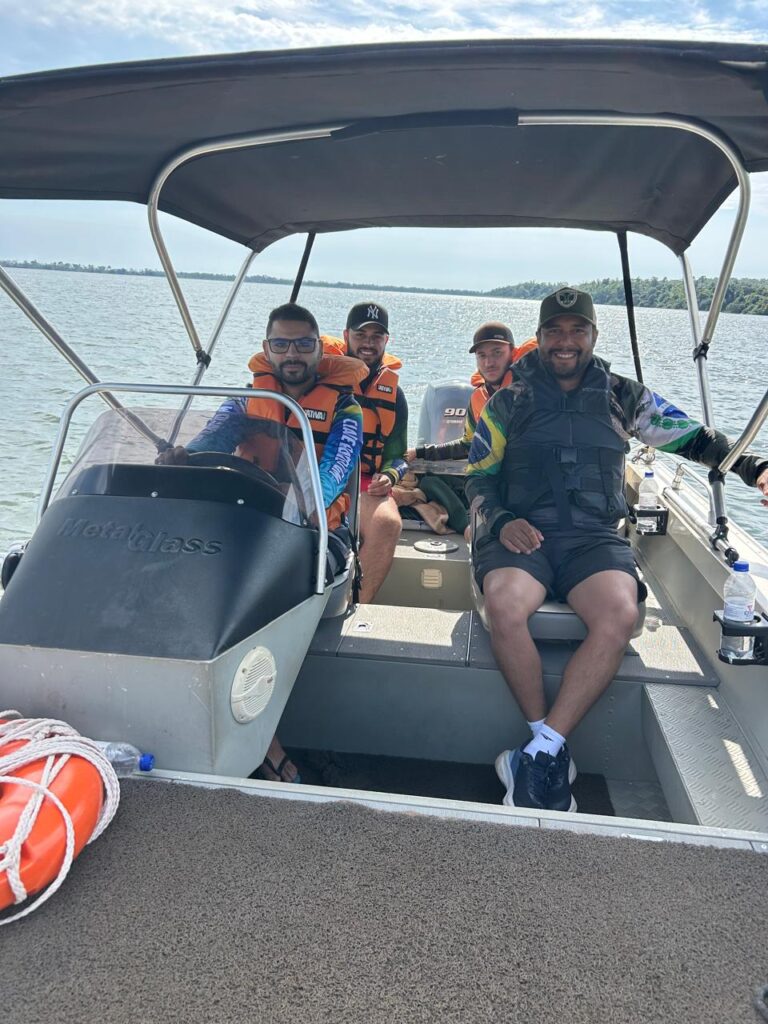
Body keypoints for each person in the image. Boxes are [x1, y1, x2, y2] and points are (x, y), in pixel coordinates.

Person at [466, 287, 768, 814]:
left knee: (621, 613)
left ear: (593, 336)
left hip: (593, 538)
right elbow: (478, 478)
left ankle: (539, 751)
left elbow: (695, 439)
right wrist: (502, 520)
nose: (565, 341)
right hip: (523, 535)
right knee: (504, 604)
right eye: (554, 331)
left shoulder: (622, 396)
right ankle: (546, 745)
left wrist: (755, 467)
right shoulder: (506, 403)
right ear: (538, 339)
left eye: (577, 330)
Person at [158, 301, 365, 784]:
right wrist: (182, 460)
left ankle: (262, 741)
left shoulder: (347, 409)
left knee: (253, 600)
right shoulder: (243, 401)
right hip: (246, 525)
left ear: (319, 349)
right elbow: (212, 440)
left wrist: (303, 502)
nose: (292, 353)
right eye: (281, 344)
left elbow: (333, 473)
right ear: (267, 349)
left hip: (316, 533)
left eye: (303, 344)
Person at [324, 302, 408, 603]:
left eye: (376, 336)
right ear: (346, 335)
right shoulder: (321, 379)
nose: (368, 343)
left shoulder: (395, 396)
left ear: (386, 341)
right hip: (321, 475)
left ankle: (356, 605)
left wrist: (389, 476)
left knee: (388, 523)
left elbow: (398, 455)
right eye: (361, 335)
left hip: (365, 483)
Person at [406, 321, 537, 463]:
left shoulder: (535, 388)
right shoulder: (478, 398)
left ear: (512, 352)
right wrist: (419, 452)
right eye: (482, 355)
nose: (489, 363)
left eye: (497, 352)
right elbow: (469, 445)